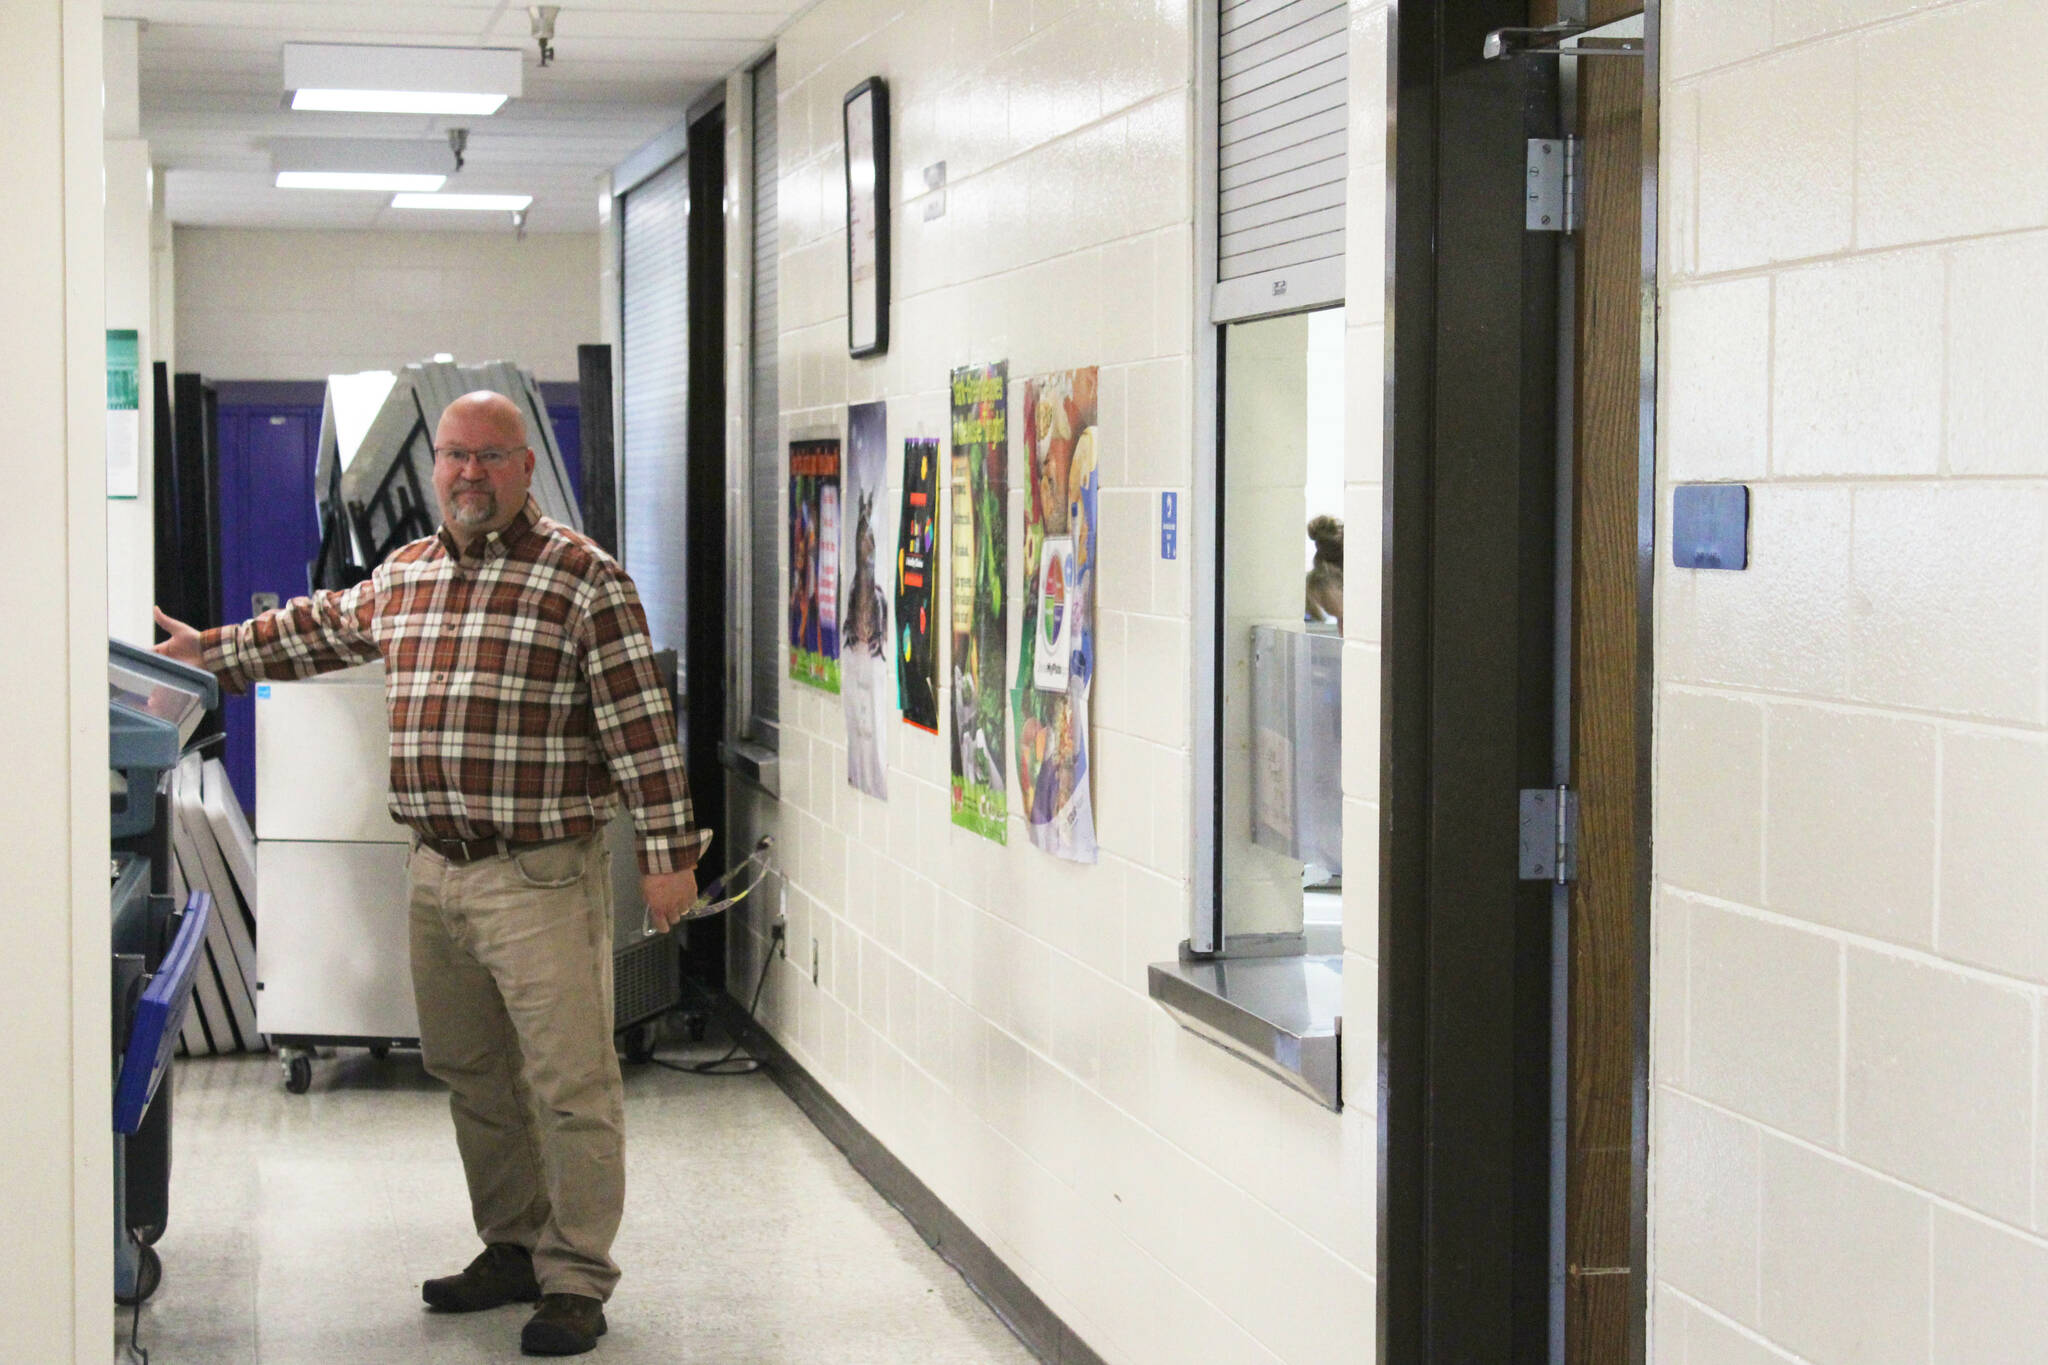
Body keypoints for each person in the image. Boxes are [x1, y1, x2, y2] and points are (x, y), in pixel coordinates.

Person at [154, 390, 707, 1358]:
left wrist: (666, 858)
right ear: (435, 465)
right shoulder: (406, 574)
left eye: (490, 457)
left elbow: (641, 732)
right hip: (436, 874)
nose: (467, 474)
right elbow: (315, 629)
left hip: (539, 877)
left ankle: (575, 1279)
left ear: (525, 467)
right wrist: (211, 655)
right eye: (454, 456)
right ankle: (511, 1245)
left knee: (570, 1085)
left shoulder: (585, 580)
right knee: (472, 1074)